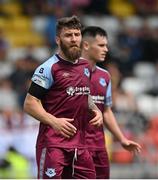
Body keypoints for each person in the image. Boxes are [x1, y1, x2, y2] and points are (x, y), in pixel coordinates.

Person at [23, 16, 103, 179]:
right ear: (58, 40)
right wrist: (54, 122)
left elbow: (83, 93)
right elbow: (30, 104)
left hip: (80, 146)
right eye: (68, 35)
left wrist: (96, 110)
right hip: (53, 145)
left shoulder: (85, 66)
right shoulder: (48, 68)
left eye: (77, 34)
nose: (74, 39)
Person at [81, 26, 142, 179]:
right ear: (86, 45)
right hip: (77, 145)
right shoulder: (69, 73)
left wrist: (122, 139)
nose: (106, 49)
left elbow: (106, 111)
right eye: (101, 45)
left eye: (106, 45)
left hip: (99, 145)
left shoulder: (105, 76)